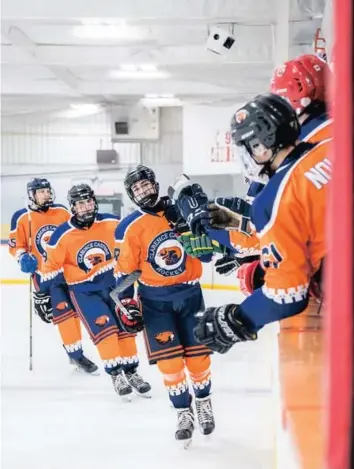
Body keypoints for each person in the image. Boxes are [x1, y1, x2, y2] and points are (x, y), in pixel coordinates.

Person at [176, 93, 330, 353]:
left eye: (247, 147)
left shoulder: (273, 197)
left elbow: (288, 295)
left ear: (262, 145)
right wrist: (243, 224)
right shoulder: (331, 146)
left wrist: (239, 318)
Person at [114, 165, 215, 445]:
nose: (144, 191)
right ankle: (183, 412)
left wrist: (190, 226)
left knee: (197, 359)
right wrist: (126, 304)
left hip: (190, 296)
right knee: (170, 364)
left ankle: (204, 403)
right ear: (131, 195)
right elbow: (126, 273)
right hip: (155, 303)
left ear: (155, 184)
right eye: (137, 189)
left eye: (146, 185)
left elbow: (206, 256)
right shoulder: (129, 227)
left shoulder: (182, 209)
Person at [40, 183, 151, 399]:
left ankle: (132, 372)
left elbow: (130, 247)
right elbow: (49, 267)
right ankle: (116, 374)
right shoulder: (61, 235)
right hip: (86, 292)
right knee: (106, 332)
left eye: (88, 201)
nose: (86, 207)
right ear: (73, 207)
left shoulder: (112, 222)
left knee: (126, 330)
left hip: (118, 287)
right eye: (80, 204)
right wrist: (42, 292)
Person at [8, 177, 98, 373]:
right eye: (42, 192)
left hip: (68, 272)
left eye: (48, 191)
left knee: (75, 312)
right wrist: (23, 257)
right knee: (63, 314)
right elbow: (16, 245)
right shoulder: (22, 217)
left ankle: (74, 352)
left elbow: (74, 235)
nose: (46, 194)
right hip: (44, 275)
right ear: (32, 195)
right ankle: (76, 355)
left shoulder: (62, 211)